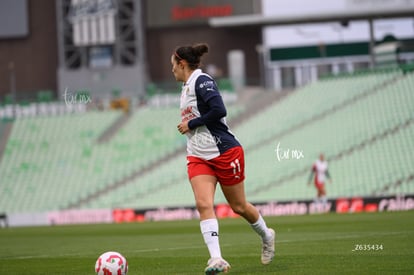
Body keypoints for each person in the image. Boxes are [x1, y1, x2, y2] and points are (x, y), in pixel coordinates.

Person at [172, 43, 275, 274]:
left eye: (173, 65)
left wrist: (191, 123)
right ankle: (217, 259)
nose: (172, 71)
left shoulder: (202, 80)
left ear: (182, 63)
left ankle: (267, 235)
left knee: (238, 206)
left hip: (224, 151)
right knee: (203, 204)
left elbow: (219, 110)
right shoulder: (186, 86)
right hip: (198, 155)